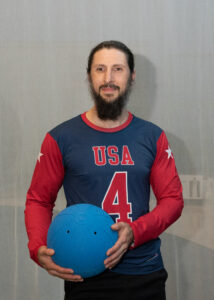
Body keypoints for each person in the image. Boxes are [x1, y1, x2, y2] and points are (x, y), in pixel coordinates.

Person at [25, 40, 183, 300]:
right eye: (100, 69)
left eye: (117, 69)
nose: (108, 78)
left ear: (132, 77)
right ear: (89, 75)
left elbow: (173, 201)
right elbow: (39, 200)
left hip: (144, 270)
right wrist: (38, 247)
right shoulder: (61, 138)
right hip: (86, 271)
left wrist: (135, 231)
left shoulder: (152, 136)